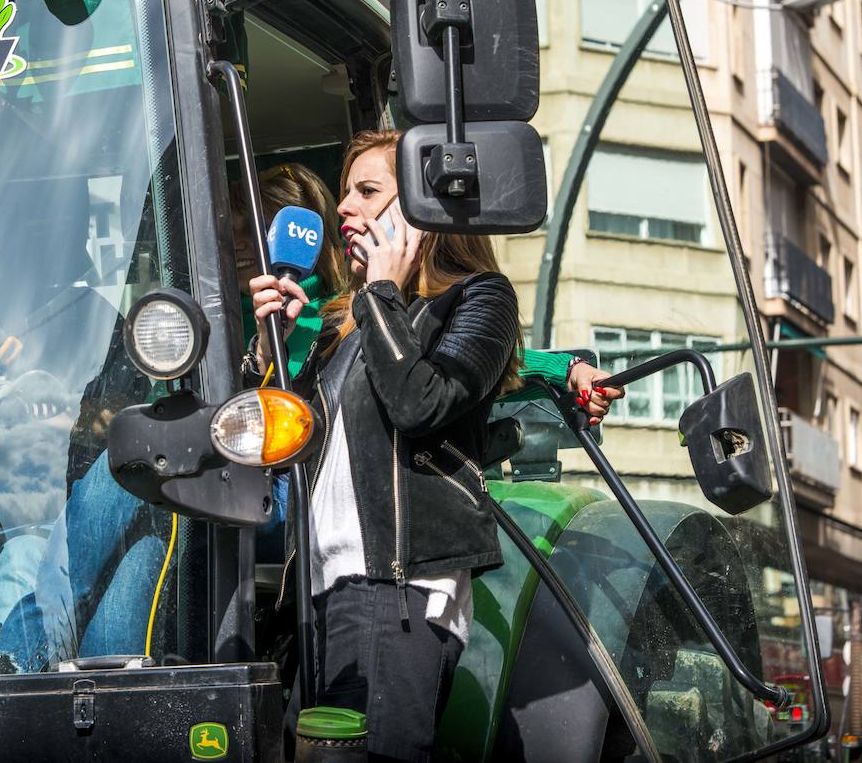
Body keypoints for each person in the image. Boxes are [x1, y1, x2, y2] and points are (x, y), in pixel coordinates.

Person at [246, 129, 620, 761]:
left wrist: (382, 296)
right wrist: (273, 352)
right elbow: (288, 449)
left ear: (426, 209)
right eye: (344, 194)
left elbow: (422, 402)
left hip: (397, 593)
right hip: (321, 594)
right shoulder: (347, 323)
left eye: (368, 191)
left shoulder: (479, 299)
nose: (344, 210)